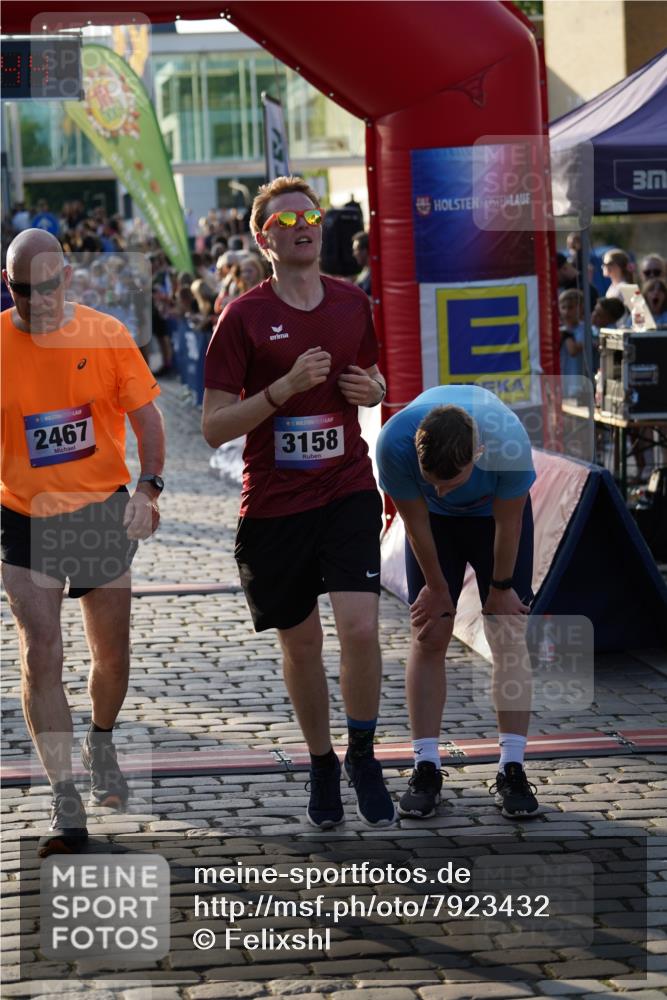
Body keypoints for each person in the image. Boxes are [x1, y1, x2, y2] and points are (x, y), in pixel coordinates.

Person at [202, 175, 395, 829]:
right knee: (302, 645)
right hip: (275, 504)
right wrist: (282, 389)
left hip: (346, 487)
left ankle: (362, 752)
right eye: (284, 222)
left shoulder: (350, 302)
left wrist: (372, 390)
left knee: (361, 629)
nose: (302, 226)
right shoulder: (244, 317)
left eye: (307, 216)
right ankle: (321, 761)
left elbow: (371, 378)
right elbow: (214, 426)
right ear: (264, 241)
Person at [1, 229, 165, 857]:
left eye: (46, 287)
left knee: (112, 658)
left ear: (66, 277)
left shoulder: (104, 334)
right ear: (6, 280)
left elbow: (147, 418)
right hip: (24, 514)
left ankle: (101, 737)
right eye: (20, 289)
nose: (34, 301)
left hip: (99, 511)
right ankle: (65, 799)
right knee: (40, 651)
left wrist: (148, 488)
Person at [376, 385, 539, 820]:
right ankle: (425, 764)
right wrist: (436, 586)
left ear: (480, 452)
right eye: (435, 483)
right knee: (430, 633)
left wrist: (501, 588)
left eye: (454, 481)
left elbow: (510, 521)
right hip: (434, 529)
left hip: (493, 522)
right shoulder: (394, 442)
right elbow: (414, 523)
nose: (444, 492)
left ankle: (513, 767)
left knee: (507, 633)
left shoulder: (507, 439)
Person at [559, 288, 586, 398]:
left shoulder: (584, 329)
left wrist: (566, 335)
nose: (566, 312)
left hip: (579, 384)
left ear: (580, 308)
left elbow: (573, 350)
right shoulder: (560, 330)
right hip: (562, 383)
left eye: (570, 308)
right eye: (563, 308)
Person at [352, 231, 372, 297]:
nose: (354, 254)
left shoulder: (374, 274)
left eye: (356, 250)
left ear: (365, 251)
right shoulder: (365, 269)